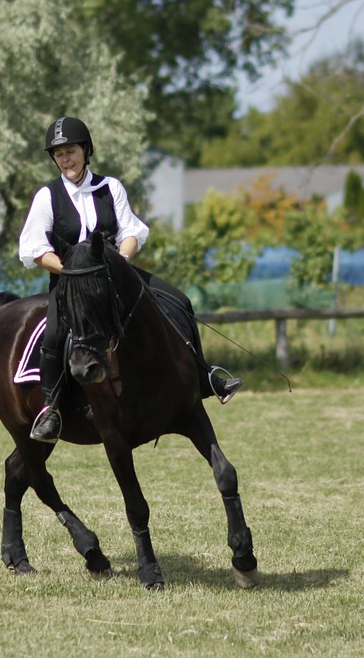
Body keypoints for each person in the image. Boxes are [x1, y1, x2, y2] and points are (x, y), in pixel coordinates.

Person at [18, 115, 242, 443]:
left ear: (86, 150)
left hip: (116, 275)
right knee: (53, 335)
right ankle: (52, 410)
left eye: (70, 151)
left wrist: (121, 261)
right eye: (59, 154)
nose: (65, 159)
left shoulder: (110, 187)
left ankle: (204, 374)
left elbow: (131, 230)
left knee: (179, 300)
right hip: (71, 281)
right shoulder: (47, 197)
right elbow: (34, 247)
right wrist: (69, 271)